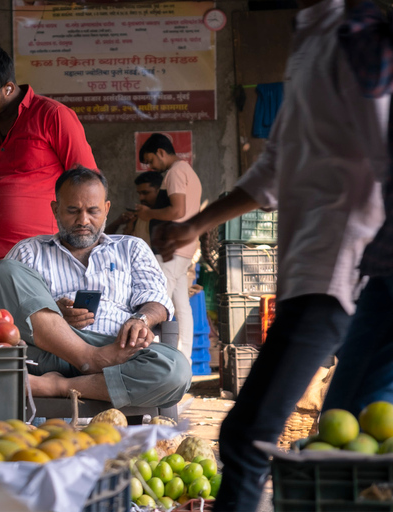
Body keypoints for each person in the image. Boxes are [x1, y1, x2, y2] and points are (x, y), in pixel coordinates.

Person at [151, 0, 388, 508]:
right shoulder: (312, 35)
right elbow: (277, 165)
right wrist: (194, 224)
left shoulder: (358, 36)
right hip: (314, 271)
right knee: (345, 443)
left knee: (249, 436)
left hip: (341, 272)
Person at [0, 166, 191, 409]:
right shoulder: (29, 251)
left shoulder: (131, 248)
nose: (83, 220)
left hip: (116, 351)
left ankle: (56, 387)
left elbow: (157, 299)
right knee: (3, 270)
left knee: (175, 370)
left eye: (93, 211)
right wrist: (54, 314)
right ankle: (87, 358)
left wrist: (141, 320)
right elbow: (5, 310)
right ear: (55, 210)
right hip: (48, 352)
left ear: (106, 210)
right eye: (73, 211)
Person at [0, 46, 97, 289]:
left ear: (8, 87)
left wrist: (84, 249)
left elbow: (89, 183)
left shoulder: (53, 116)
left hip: (42, 259)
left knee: (40, 326)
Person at [320, 0, 393, 416]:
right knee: (348, 406)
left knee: (363, 404)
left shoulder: (365, 38)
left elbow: (366, 59)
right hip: (383, 259)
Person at [135, 134, 201, 361]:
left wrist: (148, 213)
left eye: (151, 160)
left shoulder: (174, 173)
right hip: (182, 247)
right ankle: (184, 359)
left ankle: (155, 359)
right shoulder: (187, 171)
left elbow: (177, 211)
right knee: (181, 305)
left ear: (161, 152)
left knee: (155, 300)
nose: (152, 167)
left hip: (173, 248)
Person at [105, 171, 169, 250]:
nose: (141, 198)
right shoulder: (137, 217)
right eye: (139, 193)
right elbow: (105, 238)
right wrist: (118, 222)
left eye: (145, 193)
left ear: (159, 191)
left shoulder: (168, 217)